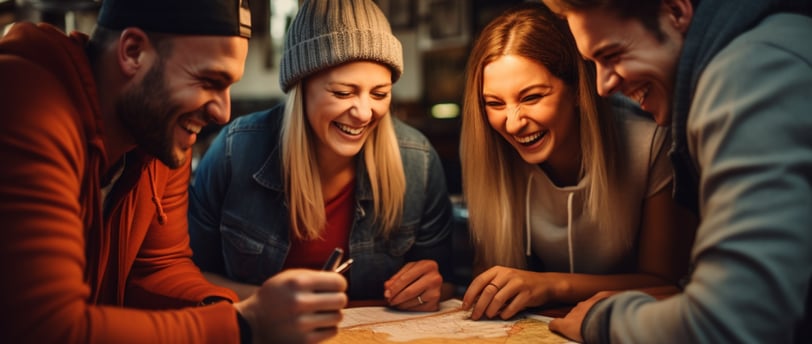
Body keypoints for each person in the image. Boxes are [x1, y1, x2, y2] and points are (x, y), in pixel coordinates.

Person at [0, 0, 348, 342]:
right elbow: (47, 328)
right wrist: (245, 325)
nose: (223, 113)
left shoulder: (156, 134)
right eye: (209, 80)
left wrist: (228, 309)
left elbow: (158, 270)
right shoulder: (26, 102)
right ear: (133, 52)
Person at [542, 0, 812, 342]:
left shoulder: (750, 74)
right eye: (593, 64)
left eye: (612, 55)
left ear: (675, 11)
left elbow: (726, 325)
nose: (602, 87)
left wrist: (604, 321)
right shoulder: (767, 46)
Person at [188, 0, 455, 311]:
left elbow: (445, 284)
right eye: (343, 93)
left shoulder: (418, 160)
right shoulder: (235, 151)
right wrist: (272, 304)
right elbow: (189, 276)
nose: (364, 112)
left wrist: (428, 290)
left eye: (380, 93)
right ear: (301, 88)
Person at [458, 2, 695, 321]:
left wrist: (552, 285)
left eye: (531, 97)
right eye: (494, 103)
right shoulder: (493, 157)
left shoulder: (651, 144)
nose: (513, 124)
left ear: (577, 91)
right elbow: (488, 280)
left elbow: (666, 284)